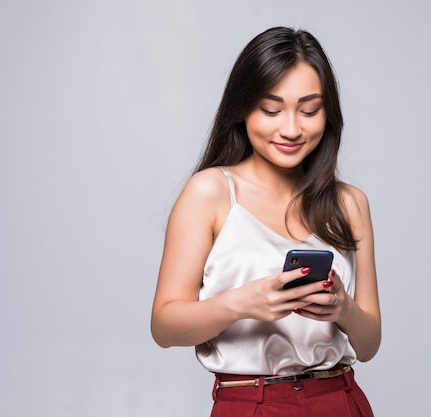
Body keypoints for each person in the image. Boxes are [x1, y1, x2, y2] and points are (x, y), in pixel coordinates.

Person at [151, 26, 381, 417]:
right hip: (251, 404)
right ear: (241, 108)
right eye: (271, 110)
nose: (291, 129)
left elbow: (370, 344)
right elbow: (164, 326)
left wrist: (343, 308)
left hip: (339, 399)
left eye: (309, 110)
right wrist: (242, 303)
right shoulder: (210, 192)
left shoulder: (349, 203)